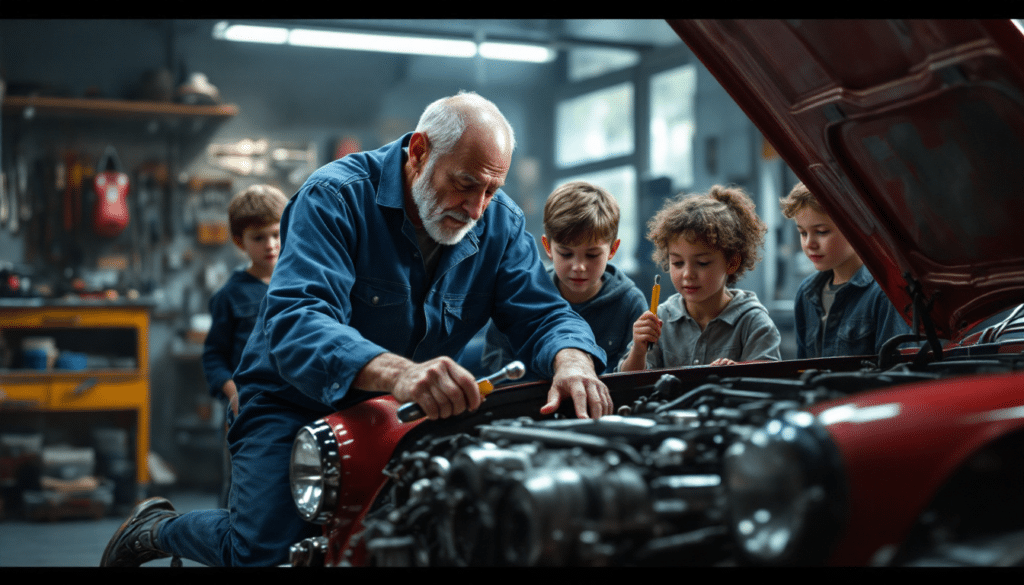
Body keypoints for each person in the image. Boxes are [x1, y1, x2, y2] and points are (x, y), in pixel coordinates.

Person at [101, 91, 612, 567]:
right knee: (265, 552)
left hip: (402, 409)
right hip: (292, 398)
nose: (477, 208)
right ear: (418, 151)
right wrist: (401, 374)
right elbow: (299, 320)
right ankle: (158, 529)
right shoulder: (335, 197)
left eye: (491, 189)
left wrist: (572, 358)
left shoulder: (496, 221)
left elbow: (543, 313)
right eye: (464, 184)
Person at [479, 181, 648, 378]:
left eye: (592, 255)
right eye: (566, 254)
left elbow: (636, 377)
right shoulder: (523, 294)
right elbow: (496, 361)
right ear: (547, 247)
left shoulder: (630, 303)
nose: (579, 267)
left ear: (612, 249)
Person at [618, 185, 781, 371]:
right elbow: (630, 383)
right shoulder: (661, 317)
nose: (687, 274)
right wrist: (638, 351)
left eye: (702, 263)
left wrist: (737, 372)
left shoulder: (753, 322)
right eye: (678, 263)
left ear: (732, 262)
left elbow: (771, 383)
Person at [201, 184, 288, 508]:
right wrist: (233, 391)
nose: (271, 245)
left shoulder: (298, 285)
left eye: (277, 234)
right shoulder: (230, 295)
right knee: (242, 487)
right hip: (246, 408)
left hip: (288, 404)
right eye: (259, 237)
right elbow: (213, 356)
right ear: (239, 241)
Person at [779, 181, 912, 358]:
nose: (809, 243)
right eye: (803, 233)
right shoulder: (806, 293)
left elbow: (896, 374)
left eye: (822, 231)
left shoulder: (885, 293)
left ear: (855, 227)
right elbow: (803, 368)